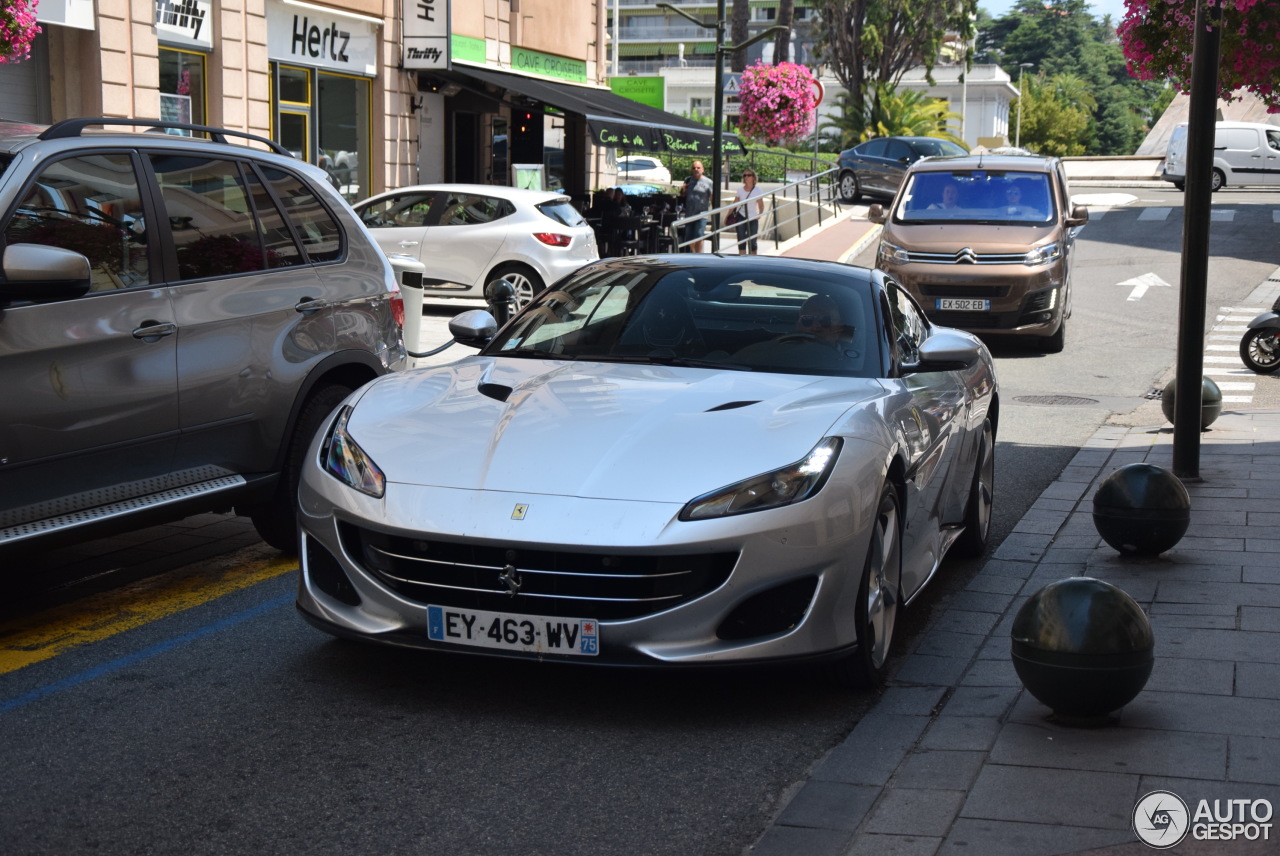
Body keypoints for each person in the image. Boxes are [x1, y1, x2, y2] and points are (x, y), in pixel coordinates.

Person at [679, 160, 712, 253]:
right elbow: (682, 195)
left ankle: (698, 256)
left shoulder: (708, 182)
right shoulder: (688, 180)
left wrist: (714, 213)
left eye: (698, 168)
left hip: (702, 213)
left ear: (703, 169)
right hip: (689, 213)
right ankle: (696, 253)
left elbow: (712, 197)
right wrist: (684, 187)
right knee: (689, 238)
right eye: (694, 168)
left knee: (699, 235)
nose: (696, 169)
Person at [732, 169, 765, 255]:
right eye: (744, 175)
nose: (746, 177)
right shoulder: (740, 190)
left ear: (753, 177)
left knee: (753, 242)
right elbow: (734, 204)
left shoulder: (757, 190)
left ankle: (753, 261)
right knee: (741, 241)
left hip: (753, 217)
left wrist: (760, 214)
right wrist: (727, 216)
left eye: (749, 175)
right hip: (741, 216)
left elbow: (761, 205)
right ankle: (742, 262)